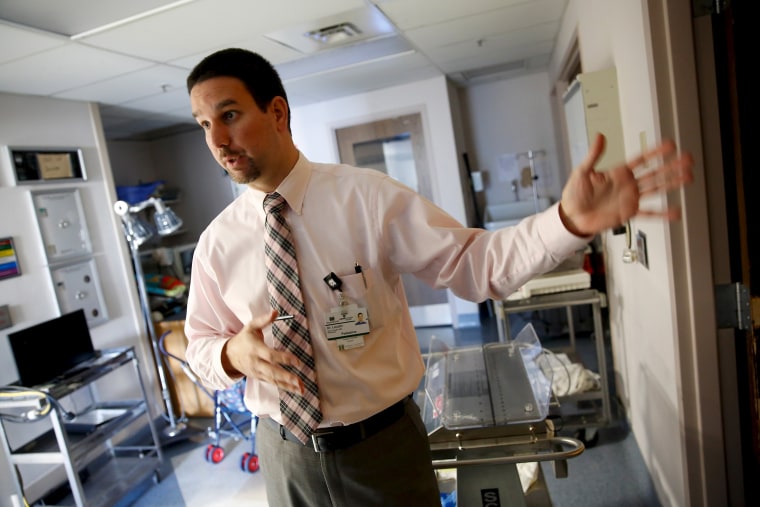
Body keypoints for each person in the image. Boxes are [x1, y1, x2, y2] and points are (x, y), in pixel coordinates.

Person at [183, 48, 693, 507]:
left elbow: (477, 265)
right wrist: (232, 354)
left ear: (276, 112)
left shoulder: (366, 198)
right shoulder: (217, 243)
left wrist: (568, 222)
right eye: (203, 124)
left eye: (229, 115)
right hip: (285, 456)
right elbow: (200, 348)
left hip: (382, 449)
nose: (217, 140)